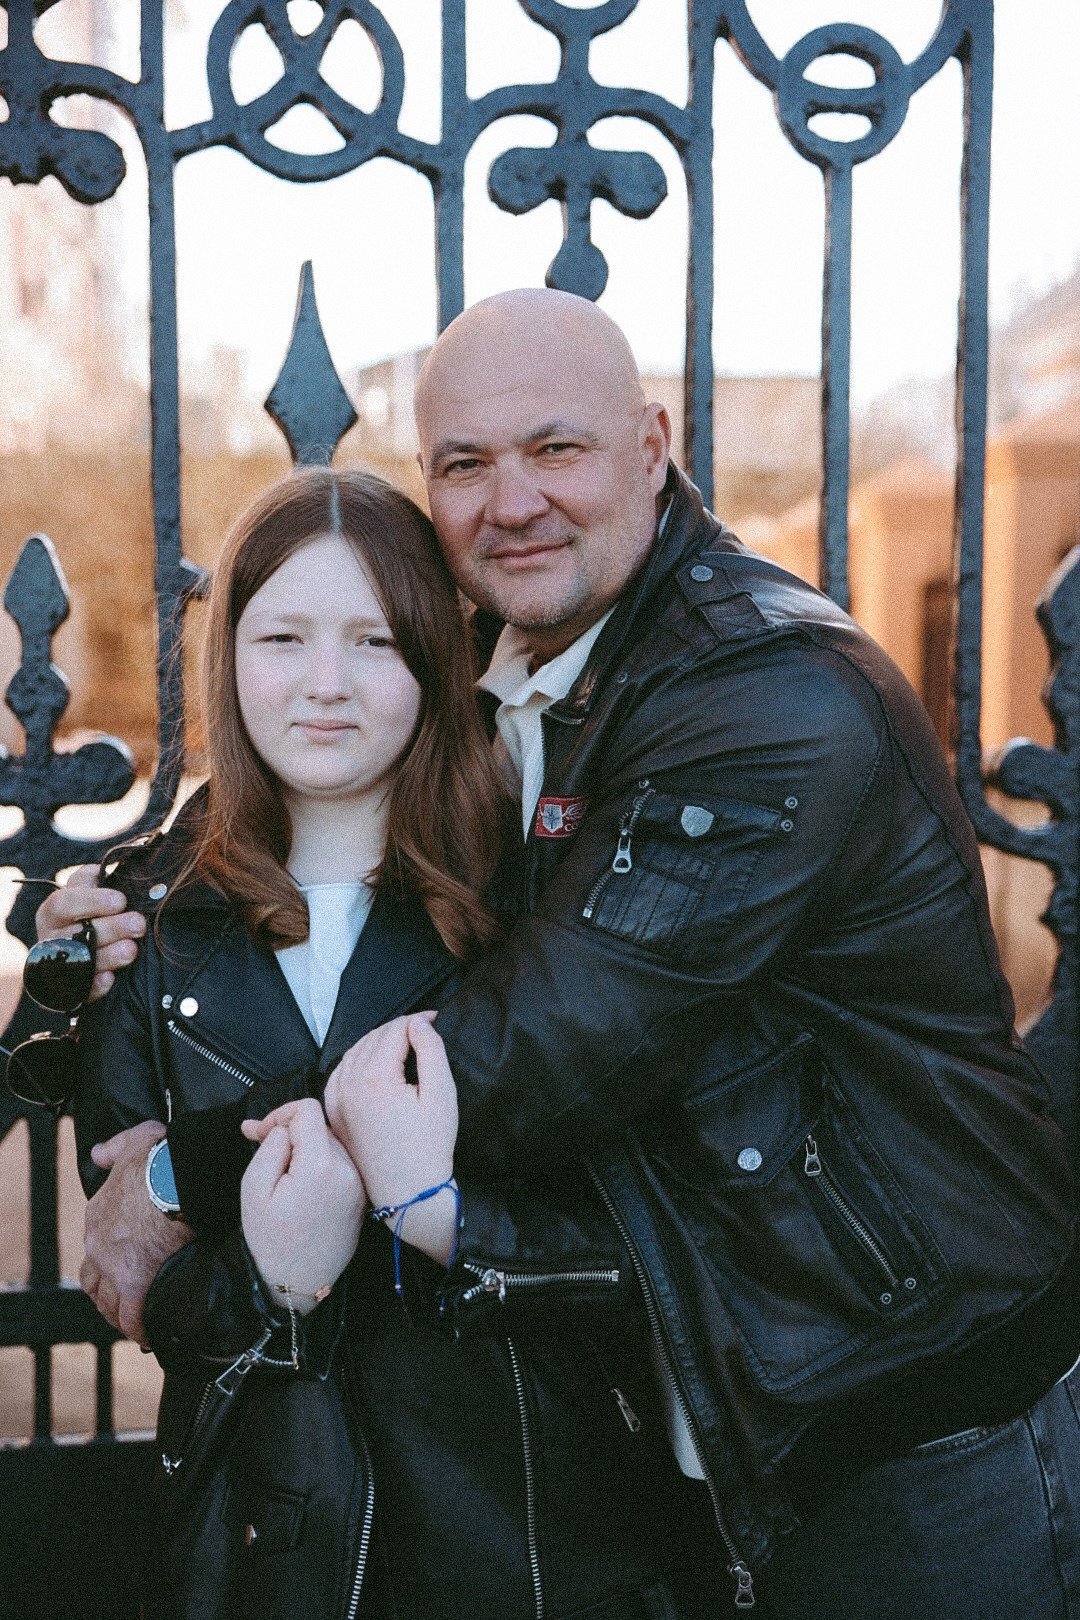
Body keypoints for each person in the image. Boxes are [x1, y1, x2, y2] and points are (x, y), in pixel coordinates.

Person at [43, 289, 1080, 1617]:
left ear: (653, 448)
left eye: (556, 449)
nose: (510, 500)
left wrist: (187, 1167)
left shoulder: (760, 697)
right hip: (729, 1401)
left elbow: (539, 1045)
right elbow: (311, 745)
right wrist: (114, 906)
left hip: (916, 1412)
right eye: (465, 464)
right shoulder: (526, 652)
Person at [68, 466, 694, 1620]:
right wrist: (273, 1285)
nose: (324, 686)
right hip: (267, 1540)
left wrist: (430, 1219)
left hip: (525, 1533)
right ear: (231, 657)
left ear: (436, 662)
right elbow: (135, 1276)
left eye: (374, 643)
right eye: (284, 637)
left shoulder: (538, 896)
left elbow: (638, 1240)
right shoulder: (153, 929)